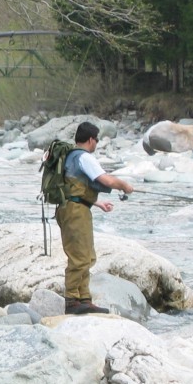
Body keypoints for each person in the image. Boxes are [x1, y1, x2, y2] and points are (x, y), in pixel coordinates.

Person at [55, 122, 134, 315]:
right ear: (91, 139)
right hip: (75, 212)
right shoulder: (84, 157)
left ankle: (84, 298)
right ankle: (72, 300)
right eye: (97, 140)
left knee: (87, 255)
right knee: (79, 257)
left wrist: (98, 203)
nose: (97, 143)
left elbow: (74, 187)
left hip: (74, 208)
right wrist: (124, 185)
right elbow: (105, 180)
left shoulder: (70, 156)